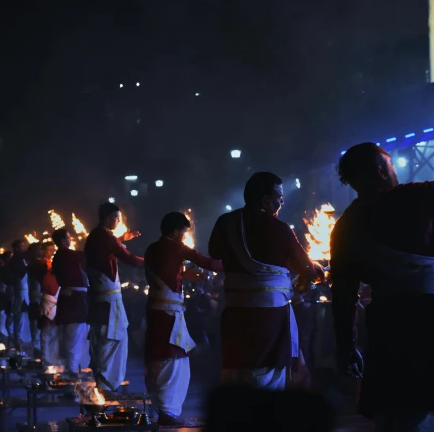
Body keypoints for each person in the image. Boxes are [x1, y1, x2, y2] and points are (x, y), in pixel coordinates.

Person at [330, 134, 434, 431]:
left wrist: (347, 345)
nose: (396, 170)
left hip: (388, 326)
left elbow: (343, 294)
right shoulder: (401, 199)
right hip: (433, 322)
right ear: (382, 172)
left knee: (398, 412)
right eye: (391, 164)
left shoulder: (344, 227)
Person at [209, 172, 322, 390]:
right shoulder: (279, 229)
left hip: (234, 311)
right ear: (265, 201)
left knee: (239, 366)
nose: (282, 202)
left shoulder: (226, 222)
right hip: (270, 313)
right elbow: (306, 268)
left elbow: (215, 253)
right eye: (279, 197)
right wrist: (312, 273)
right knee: (268, 368)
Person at [144, 212, 224, 426]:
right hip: (169, 314)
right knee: (173, 359)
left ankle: (164, 411)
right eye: (183, 232)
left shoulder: (152, 248)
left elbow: (164, 274)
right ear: (176, 230)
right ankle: (168, 413)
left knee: (161, 357)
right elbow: (210, 264)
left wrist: (181, 275)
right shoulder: (176, 247)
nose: (184, 236)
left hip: (156, 312)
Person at [83, 202, 144, 393]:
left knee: (105, 339)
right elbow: (130, 259)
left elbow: (109, 248)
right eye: (117, 218)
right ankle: (107, 385)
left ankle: (105, 383)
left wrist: (121, 238)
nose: (119, 221)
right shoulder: (106, 238)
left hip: (101, 299)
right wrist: (154, 262)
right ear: (108, 218)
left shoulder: (96, 236)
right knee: (112, 339)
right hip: (108, 300)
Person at [51, 228, 90, 373]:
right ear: (63, 241)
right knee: (74, 340)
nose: (70, 239)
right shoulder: (65, 255)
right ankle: (72, 374)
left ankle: (72, 371)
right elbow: (86, 255)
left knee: (72, 339)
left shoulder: (61, 256)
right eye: (68, 237)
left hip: (72, 301)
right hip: (74, 304)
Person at [27, 242, 51, 357]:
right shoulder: (36, 264)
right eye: (38, 250)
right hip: (35, 296)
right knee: (36, 323)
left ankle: (38, 348)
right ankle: (37, 349)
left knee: (37, 323)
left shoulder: (38, 263)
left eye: (41, 249)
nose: (41, 252)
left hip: (38, 296)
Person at [8, 239, 32, 348]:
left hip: (25, 293)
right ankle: (17, 341)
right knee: (19, 319)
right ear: (16, 248)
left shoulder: (22, 258)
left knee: (23, 320)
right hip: (20, 292)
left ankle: (22, 340)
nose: (24, 248)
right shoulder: (15, 260)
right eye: (22, 246)